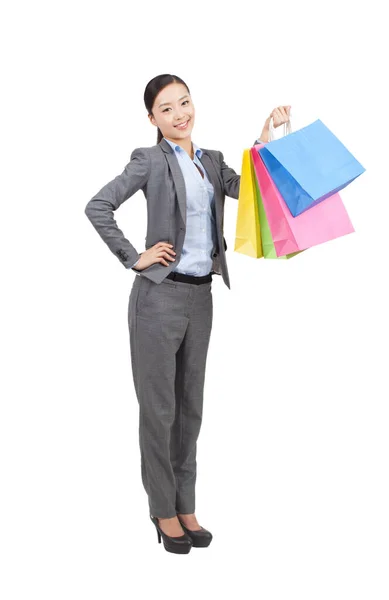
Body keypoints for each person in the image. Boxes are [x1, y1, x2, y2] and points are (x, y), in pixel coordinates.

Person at [84, 73, 290, 554]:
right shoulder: (150, 161)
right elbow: (98, 206)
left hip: (202, 298)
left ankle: (185, 502)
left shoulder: (212, 162)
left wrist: (266, 136)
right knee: (159, 411)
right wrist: (133, 255)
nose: (180, 115)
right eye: (167, 109)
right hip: (157, 299)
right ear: (152, 120)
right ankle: (162, 508)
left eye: (185, 103)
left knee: (190, 410)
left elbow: (253, 191)